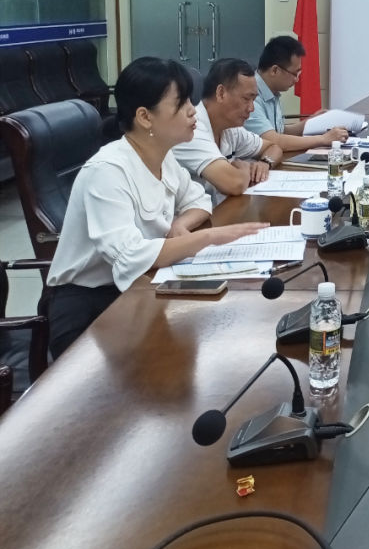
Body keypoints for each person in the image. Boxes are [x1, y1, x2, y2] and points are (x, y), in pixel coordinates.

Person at [46, 58, 268, 357]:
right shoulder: (107, 170)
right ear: (145, 117)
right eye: (181, 104)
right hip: (89, 307)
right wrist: (206, 237)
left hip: (142, 288)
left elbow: (199, 200)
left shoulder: (163, 157)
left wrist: (182, 224)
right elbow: (130, 255)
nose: (193, 110)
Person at [171, 57, 284, 205]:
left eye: (253, 100)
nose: (251, 108)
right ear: (221, 93)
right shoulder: (192, 128)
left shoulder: (230, 127)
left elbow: (273, 147)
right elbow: (234, 184)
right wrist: (244, 169)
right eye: (246, 99)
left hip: (215, 210)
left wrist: (265, 163)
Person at [244, 35, 349, 150]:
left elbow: (280, 131)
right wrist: (323, 139)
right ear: (275, 70)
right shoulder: (250, 96)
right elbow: (273, 140)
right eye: (295, 73)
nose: (296, 80)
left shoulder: (272, 92)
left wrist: (311, 122)